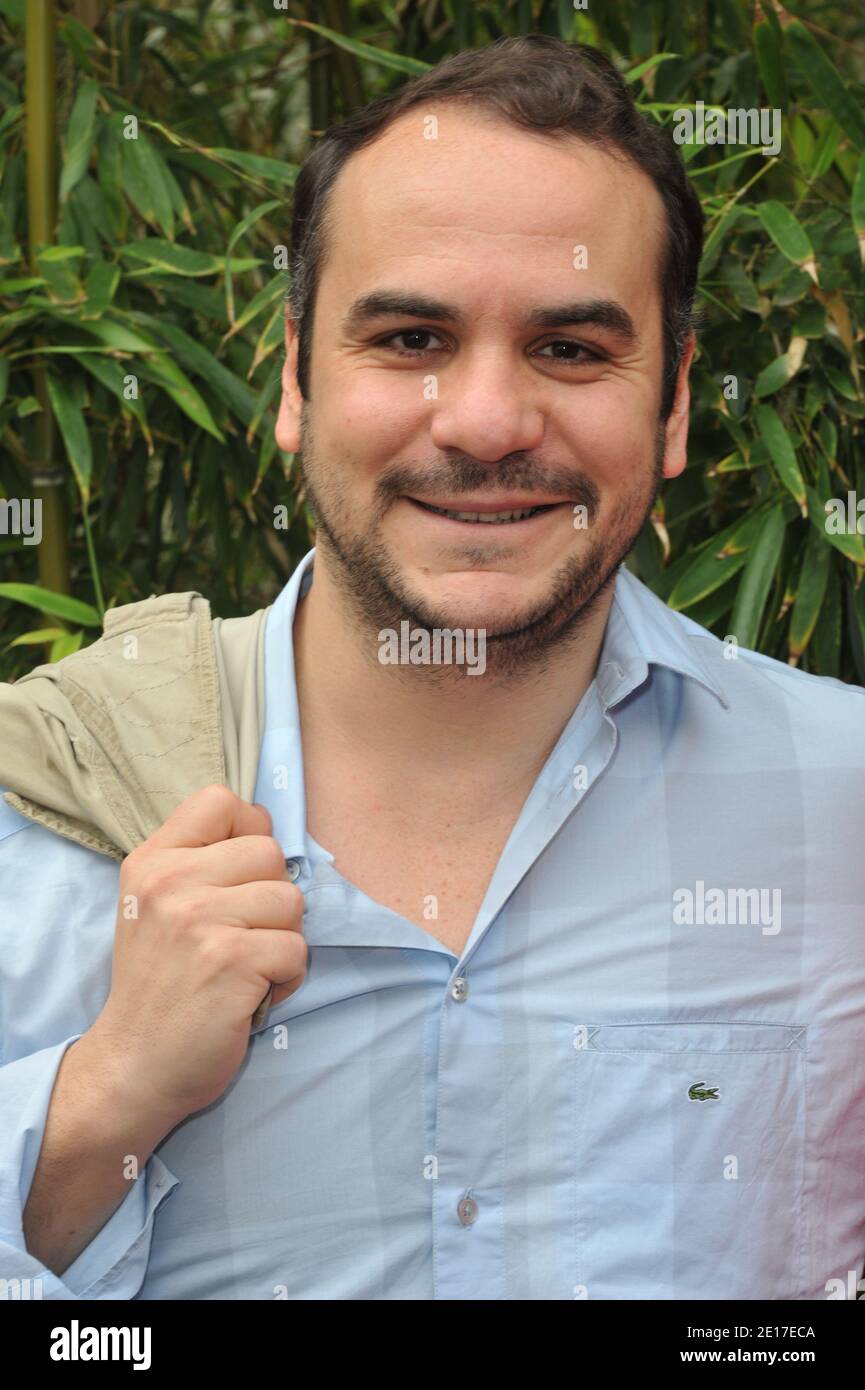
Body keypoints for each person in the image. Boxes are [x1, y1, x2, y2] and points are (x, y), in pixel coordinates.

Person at [1, 33, 864, 1302]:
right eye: (409, 338)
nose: (485, 422)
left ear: (675, 405)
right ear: (295, 379)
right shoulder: (43, 809)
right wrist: (103, 1098)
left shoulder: (840, 808)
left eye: (571, 349)